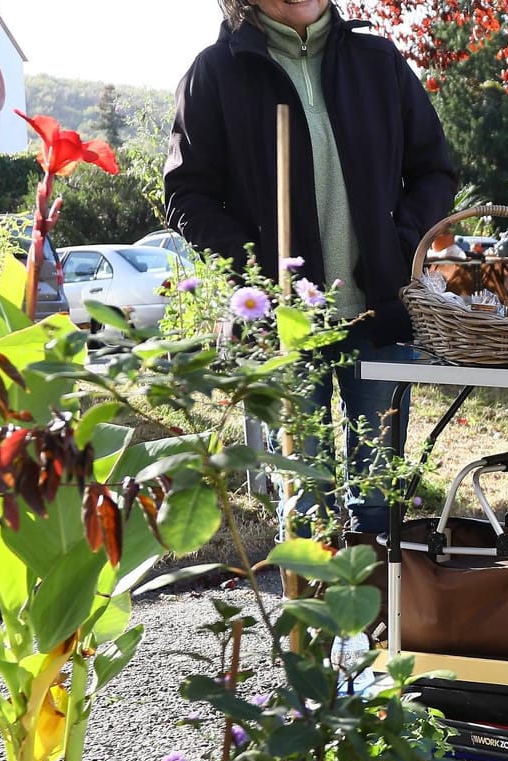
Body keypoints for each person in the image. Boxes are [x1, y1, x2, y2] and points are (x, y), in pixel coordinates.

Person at [164, 0, 457, 538]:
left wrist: (399, 245)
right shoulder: (218, 71)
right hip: (285, 327)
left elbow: (434, 169)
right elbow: (186, 194)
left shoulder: (379, 62)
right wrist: (252, 266)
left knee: (378, 502)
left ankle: (374, 623)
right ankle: (312, 623)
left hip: (379, 317)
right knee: (305, 508)